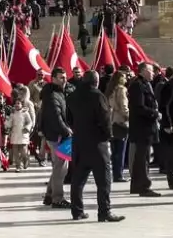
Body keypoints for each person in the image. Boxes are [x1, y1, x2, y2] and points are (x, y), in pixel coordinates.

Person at [66, 70, 123, 223]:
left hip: (78, 142)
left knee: (78, 179)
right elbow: (105, 120)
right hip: (97, 143)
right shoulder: (98, 96)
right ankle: (104, 211)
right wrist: (107, 136)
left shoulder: (72, 96)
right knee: (103, 180)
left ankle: (77, 211)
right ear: (96, 81)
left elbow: (69, 118)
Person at [39, 67, 73, 208]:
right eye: (60, 77)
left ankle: (49, 195)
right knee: (61, 167)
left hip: (57, 134)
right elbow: (56, 117)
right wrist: (66, 131)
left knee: (59, 166)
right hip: (57, 135)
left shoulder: (59, 92)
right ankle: (57, 198)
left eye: (65, 77)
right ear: (53, 79)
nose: (64, 79)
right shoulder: (52, 95)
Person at [127, 62, 160, 198]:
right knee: (143, 158)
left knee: (141, 157)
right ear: (144, 71)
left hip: (146, 127)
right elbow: (139, 107)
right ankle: (144, 186)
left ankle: (136, 185)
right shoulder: (138, 85)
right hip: (142, 128)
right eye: (151, 71)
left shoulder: (146, 84)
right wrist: (155, 113)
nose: (153, 73)